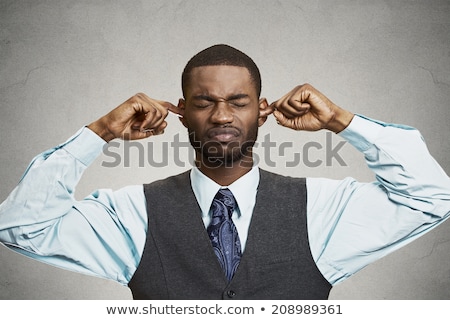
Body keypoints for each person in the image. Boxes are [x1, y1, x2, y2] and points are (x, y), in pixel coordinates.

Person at [0, 44, 449, 299]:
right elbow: (21, 228)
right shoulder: (131, 212)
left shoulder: (322, 208)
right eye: (203, 102)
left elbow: (433, 198)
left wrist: (340, 121)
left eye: (238, 102)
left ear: (263, 110)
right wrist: (97, 133)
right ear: (180, 112)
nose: (221, 116)